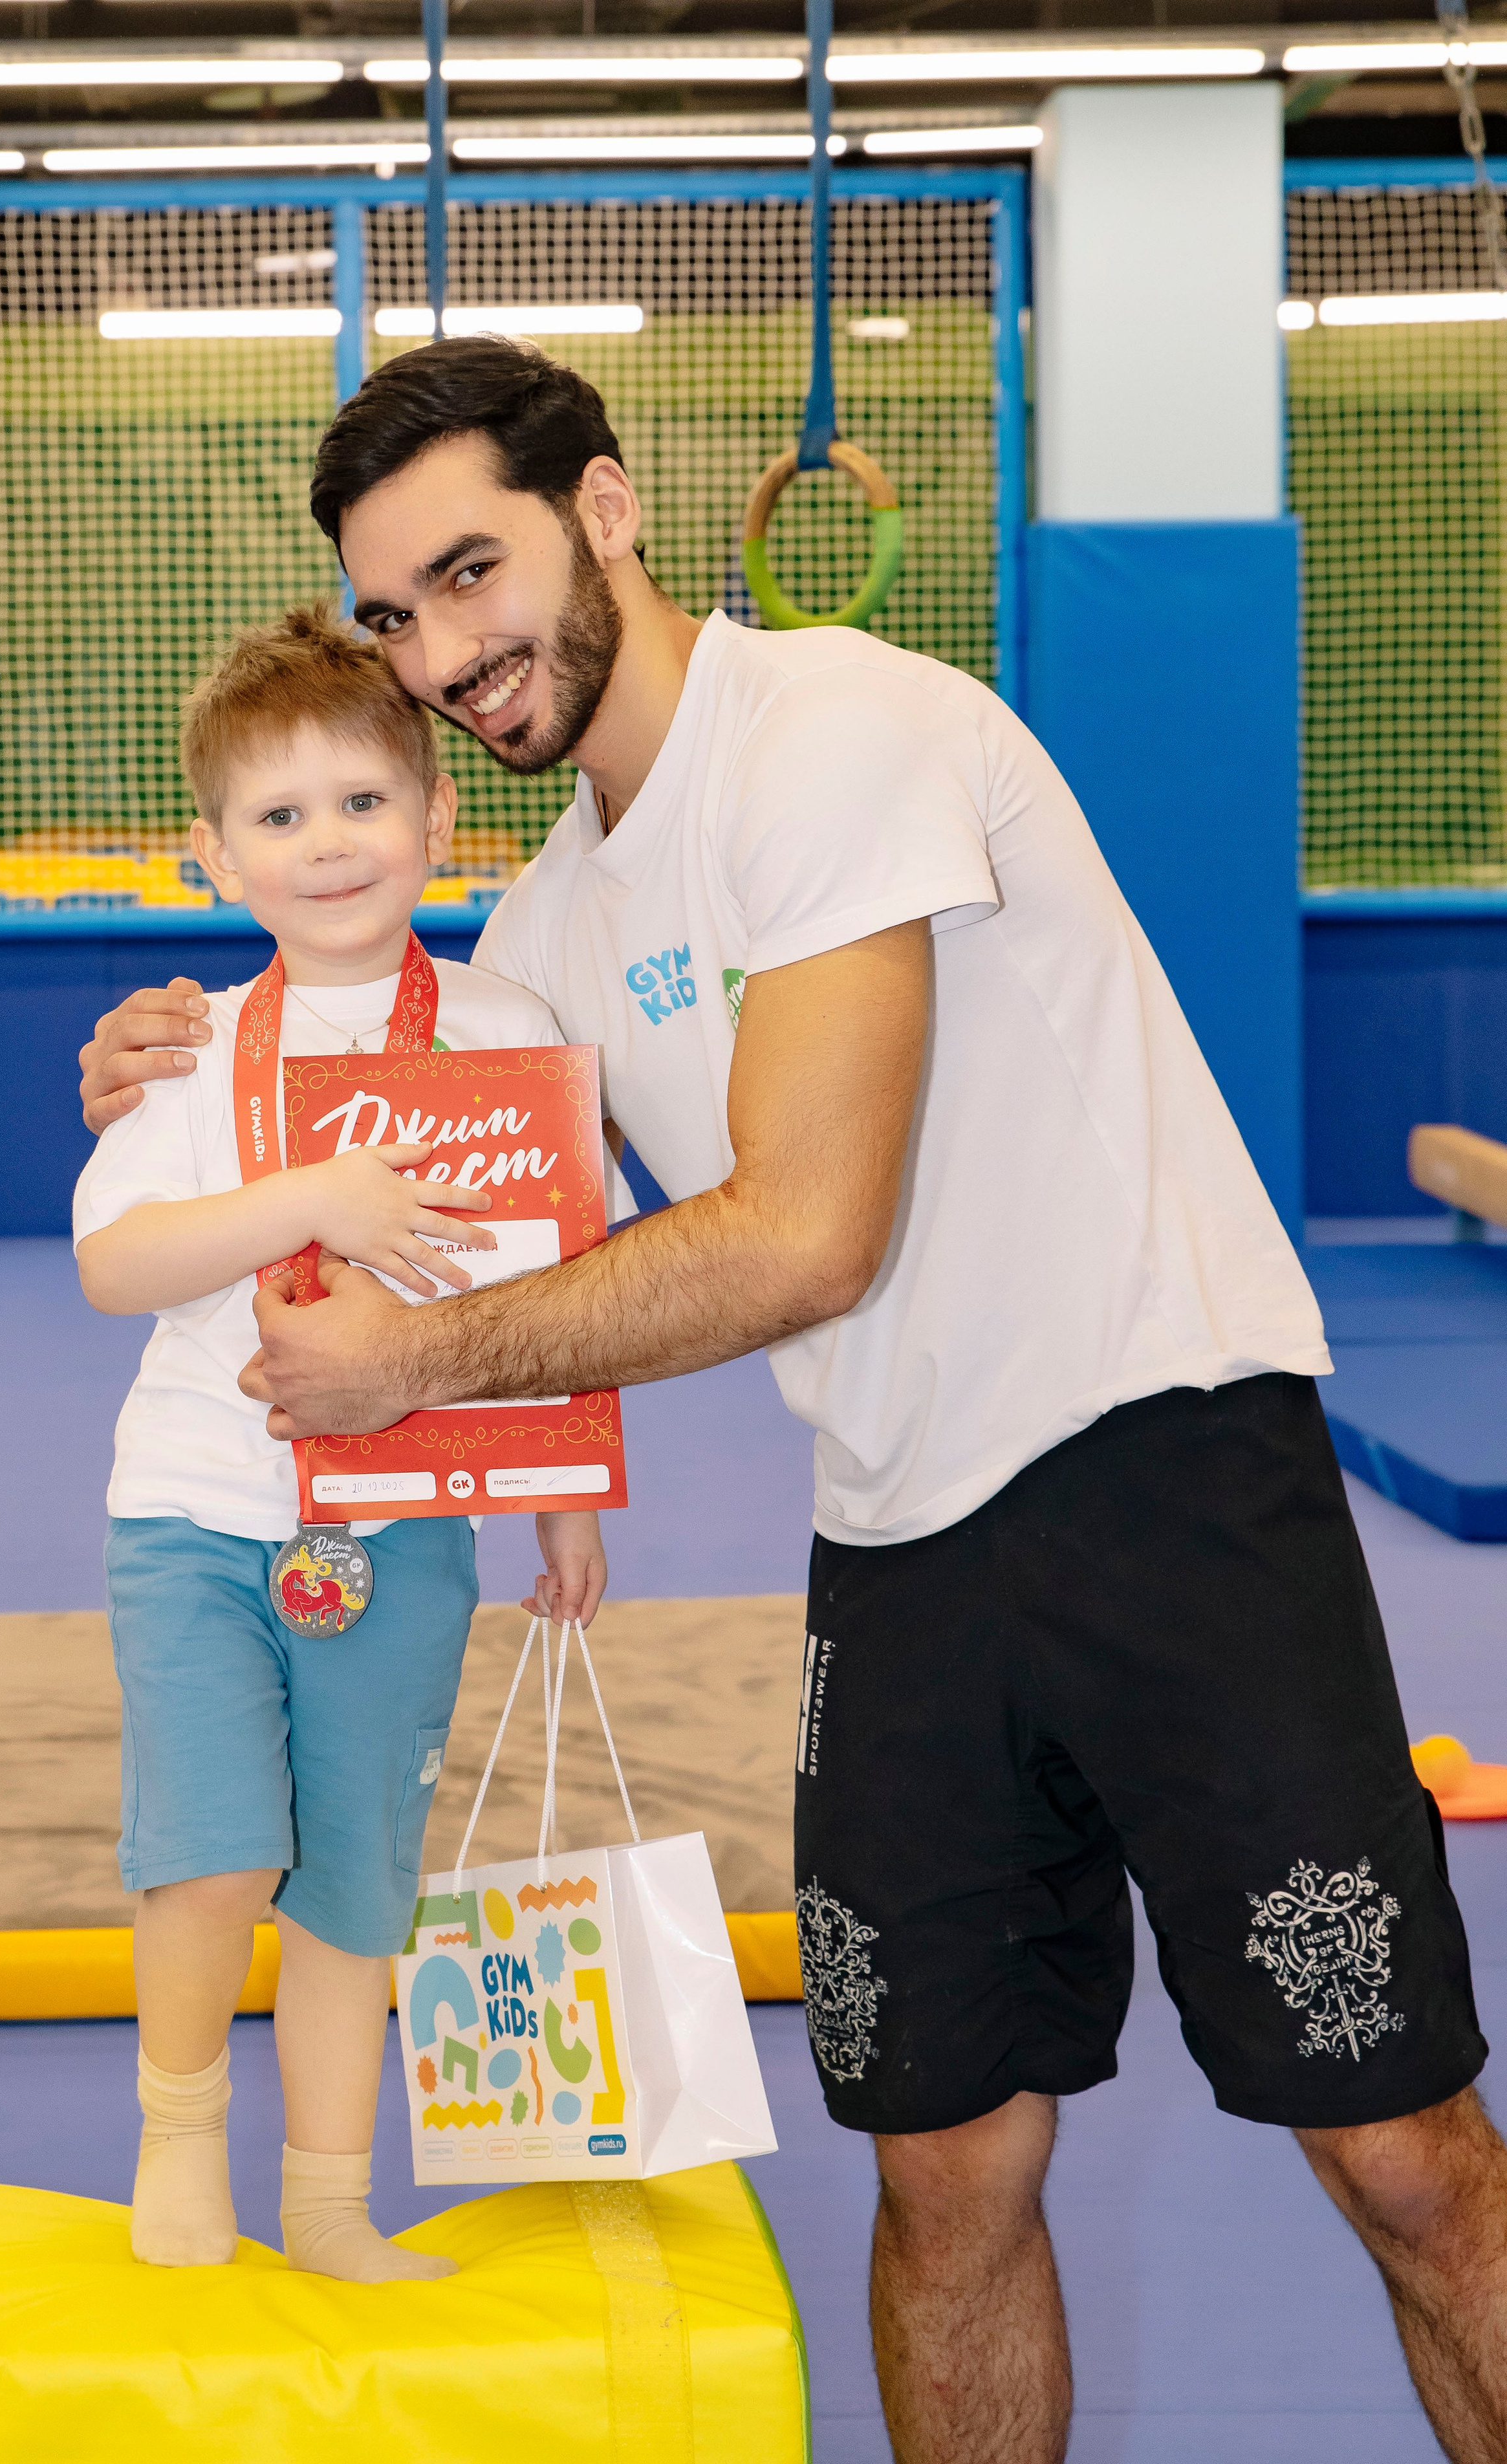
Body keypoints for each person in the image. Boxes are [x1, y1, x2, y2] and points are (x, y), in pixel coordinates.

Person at [81, 345, 1507, 2459]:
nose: (443, 654)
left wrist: (413, 1365)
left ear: (613, 510)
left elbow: (805, 1233)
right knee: (941, 2172)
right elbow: (419, 1121)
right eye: (396, 614)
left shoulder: (836, 730)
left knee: (1396, 2149)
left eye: (472, 572)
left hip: (1165, 1475)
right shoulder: (552, 923)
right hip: (897, 1542)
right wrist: (184, 1071)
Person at [73, 602, 607, 2283]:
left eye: (364, 803)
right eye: (281, 817)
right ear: (216, 853)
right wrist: (306, 1197)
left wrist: (568, 1486)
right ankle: (177, 2142)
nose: (327, 845)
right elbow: (111, 1262)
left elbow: (565, 1279)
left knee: (360, 1876)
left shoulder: (509, 1034)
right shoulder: (192, 1045)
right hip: (198, 1509)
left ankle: (322, 2198)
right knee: (214, 1844)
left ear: (440, 820)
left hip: (410, 1514)